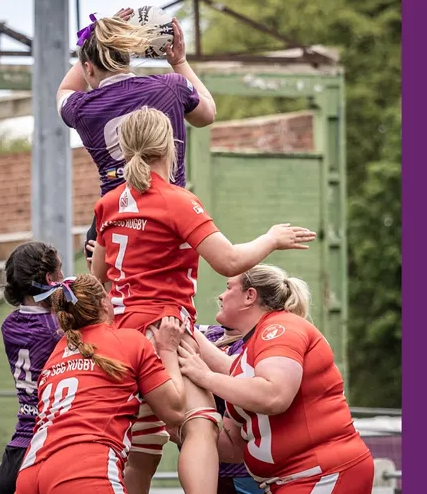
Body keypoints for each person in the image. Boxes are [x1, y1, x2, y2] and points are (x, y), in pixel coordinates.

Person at [90, 107, 317, 494]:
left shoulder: (108, 204)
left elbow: (97, 283)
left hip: (116, 337)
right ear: (171, 147)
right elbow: (227, 260)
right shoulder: (176, 201)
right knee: (199, 423)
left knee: (140, 445)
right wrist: (271, 238)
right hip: (165, 331)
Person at [178, 265, 375, 494]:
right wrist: (181, 427)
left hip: (322, 474)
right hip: (297, 479)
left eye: (229, 287)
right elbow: (233, 446)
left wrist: (205, 377)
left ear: (250, 296)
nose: (221, 296)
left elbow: (275, 395)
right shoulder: (248, 357)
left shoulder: (281, 327)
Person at [56, 7, 217, 264]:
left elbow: (65, 89)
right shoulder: (171, 87)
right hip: (169, 215)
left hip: (113, 222)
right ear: (127, 57)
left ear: (88, 67)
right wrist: (179, 62)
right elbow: (207, 115)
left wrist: (93, 40)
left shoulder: (82, 109)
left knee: (112, 302)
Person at [15, 274, 188, 494]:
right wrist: (169, 350)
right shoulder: (129, 340)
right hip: (83, 468)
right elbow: (174, 410)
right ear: (104, 303)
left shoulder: (56, 354)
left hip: (30, 472)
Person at [0, 241, 66, 494]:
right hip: (47, 447)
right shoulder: (58, 330)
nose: (65, 279)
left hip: (17, 450)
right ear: (49, 278)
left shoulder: (9, 326)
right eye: (61, 271)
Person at [196, 324, 265, 494]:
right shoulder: (214, 332)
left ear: (250, 298)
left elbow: (235, 371)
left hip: (241, 469)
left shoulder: (261, 342)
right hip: (209, 464)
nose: (221, 296)